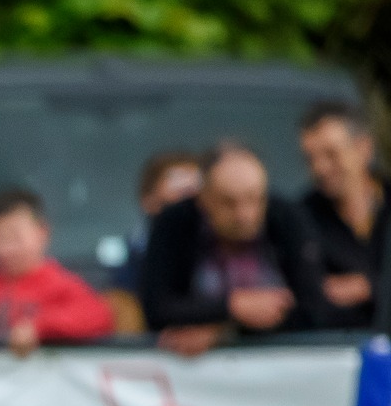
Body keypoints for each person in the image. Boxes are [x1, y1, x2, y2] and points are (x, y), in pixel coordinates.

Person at [140, 142, 328, 358]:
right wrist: (234, 306)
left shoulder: (290, 218)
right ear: (204, 199)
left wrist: (223, 330)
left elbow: (314, 309)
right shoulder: (173, 223)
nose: (243, 215)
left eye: (253, 199)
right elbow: (157, 308)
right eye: (229, 203)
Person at [0, 188, 113, 354]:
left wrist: (40, 328)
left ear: (42, 233)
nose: (4, 249)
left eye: (13, 237)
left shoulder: (62, 285)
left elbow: (98, 317)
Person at [297, 100, 384, 333]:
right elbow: (309, 296)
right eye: (310, 159)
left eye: (331, 154)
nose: (320, 168)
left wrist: (369, 287)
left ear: (364, 147)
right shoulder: (302, 217)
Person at [105, 151, 203, 332]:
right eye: (175, 206)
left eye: (196, 204)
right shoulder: (131, 266)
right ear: (148, 202)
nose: (186, 215)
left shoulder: (223, 256)